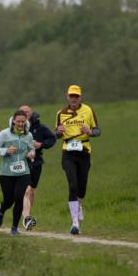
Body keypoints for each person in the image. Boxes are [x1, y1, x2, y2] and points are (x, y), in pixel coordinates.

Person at [54, 84, 100, 235]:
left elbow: (98, 130)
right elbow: (56, 134)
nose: (74, 99)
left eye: (76, 96)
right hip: (68, 153)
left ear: (80, 97)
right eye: (71, 96)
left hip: (84, 152)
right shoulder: (60, 113)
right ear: (67, 97)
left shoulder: (88, 110)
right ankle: (75, 223)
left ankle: (79, 204)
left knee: (81, 189)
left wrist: (90, 131)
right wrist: (58, 132)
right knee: (72, 185)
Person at [8, 106, 56, 231]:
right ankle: (26, 217)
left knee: (31, 190)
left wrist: (41, 144)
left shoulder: (39, 127)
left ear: (30, 113)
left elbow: (52, 138)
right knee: (26, 190)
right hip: (20, 162)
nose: (25, 114)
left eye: (27, 112)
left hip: (36, 162)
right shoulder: (12, 128)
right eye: (22, 112)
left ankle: (16, 209)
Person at [0, 110, 36, 235]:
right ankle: (1, 210)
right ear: (13, 121)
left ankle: (14, 228)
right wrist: (6, 150)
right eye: (18, 121)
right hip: (6, 173)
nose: (21, 124)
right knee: (8, 200)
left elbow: (32, 149)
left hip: (23, 172)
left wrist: (31, 154)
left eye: (23, 121)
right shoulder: (4, 134)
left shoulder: (28, 135)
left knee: (19, 198)